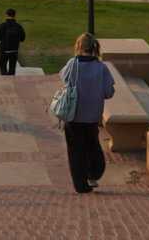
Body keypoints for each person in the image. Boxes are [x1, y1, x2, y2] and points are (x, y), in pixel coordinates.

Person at [60, 33, 114, 193]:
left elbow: (64, 79)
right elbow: (108, 92)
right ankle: (93, 172)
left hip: (73, 114)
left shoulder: (72, 64)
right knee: (92, 146)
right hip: (92, 117)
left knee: (75, 150)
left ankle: (80, 183)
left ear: (79, 46)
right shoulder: (101, 67)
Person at [0, 8, 26, 75]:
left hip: (4, 49)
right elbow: (23, 38)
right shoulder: (18, 26)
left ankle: (5, 78)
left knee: (2, 65)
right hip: (14, 50)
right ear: (15, 15)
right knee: (12, 67)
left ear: (6, 15)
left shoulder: (3, 25)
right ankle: (11, 80)